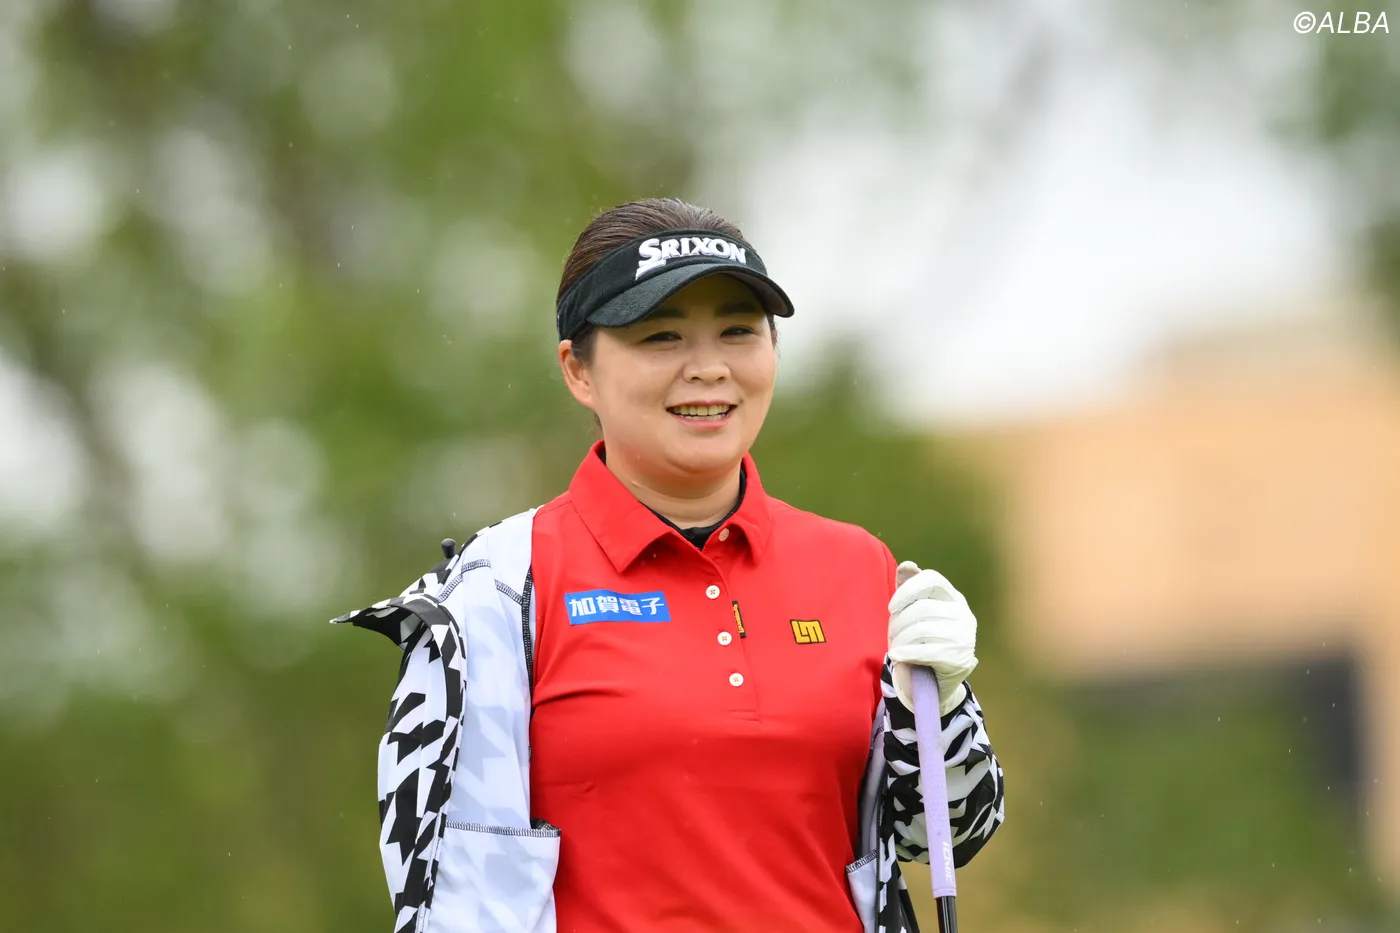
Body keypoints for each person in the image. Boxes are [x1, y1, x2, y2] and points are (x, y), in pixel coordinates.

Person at [335, 198, 1004, 933]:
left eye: (739, 331)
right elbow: (446, 896)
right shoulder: (496, 588)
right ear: (578, 370)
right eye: (661, 336)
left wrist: (941, 708)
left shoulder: (860, 567)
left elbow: (946, 832)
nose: (709, 368)